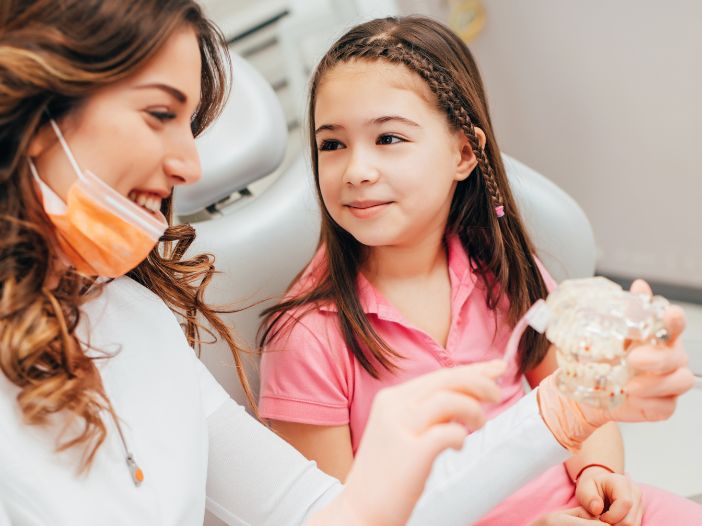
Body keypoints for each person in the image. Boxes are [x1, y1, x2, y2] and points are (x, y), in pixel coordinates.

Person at [0, 3, 693, 525]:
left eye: (193, 126)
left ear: (464, 154)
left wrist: (571, 409)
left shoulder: (139, 323)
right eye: (159, 114)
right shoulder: (312, 329)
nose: (190, 165)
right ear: (33, 99)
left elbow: (324, 515)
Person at [257, 15, 702, 525]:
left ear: (464, 152)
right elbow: (345, 516)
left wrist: (599, 474)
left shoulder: (504, 272)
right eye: (331, 145)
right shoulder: (306, 337)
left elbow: (580, 403)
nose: (356, 170)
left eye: (388, 139)